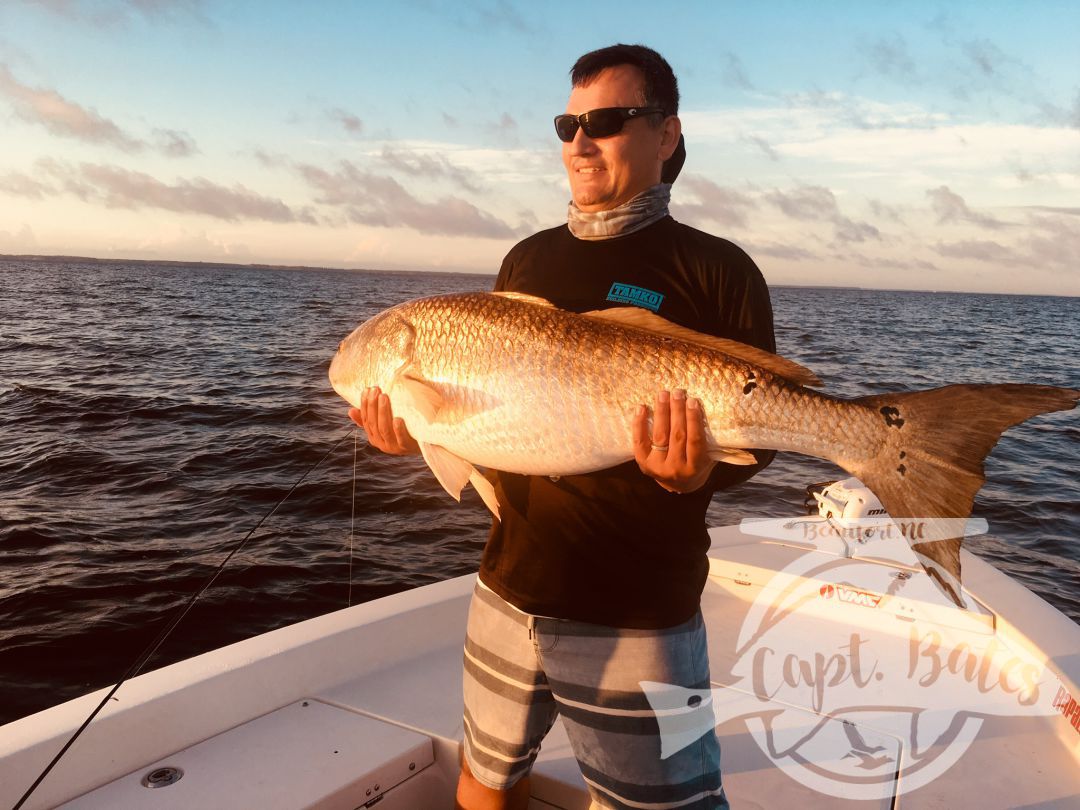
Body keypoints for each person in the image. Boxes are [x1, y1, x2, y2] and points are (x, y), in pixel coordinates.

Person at [351, 44, 775, 810]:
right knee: (484, 776)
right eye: (567, 124)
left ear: (667, 135)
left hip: (640, 608)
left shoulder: (719, 269)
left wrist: (699, 471)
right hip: (511, 585)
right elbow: (501, 423)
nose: (580, 142)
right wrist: (412, 435)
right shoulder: (527, 259)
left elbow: (764, 433)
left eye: (607, 121)